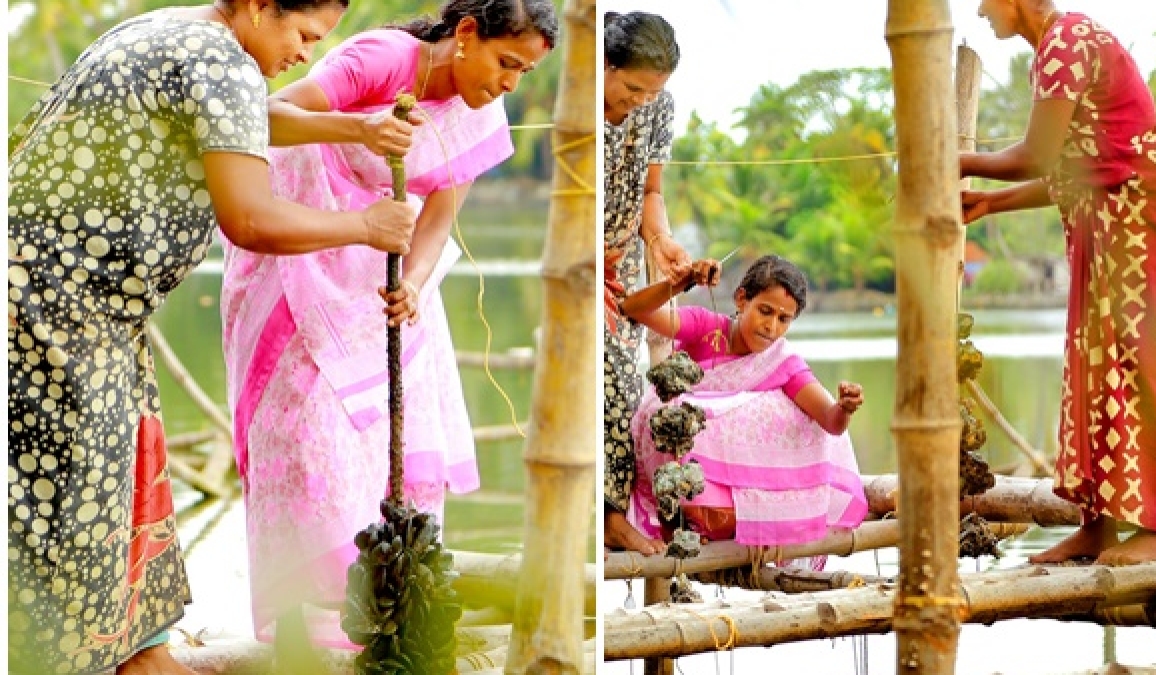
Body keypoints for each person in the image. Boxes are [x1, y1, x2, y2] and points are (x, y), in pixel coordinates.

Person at [7, 1, 419, 673]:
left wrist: (356, 128)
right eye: (303, 34)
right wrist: (367, 227)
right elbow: (251, 218)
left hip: (83, 306)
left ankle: (141, 653)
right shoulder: (219, 59)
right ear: (259, 6)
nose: (305, 55)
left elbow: (250, 115)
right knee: (72, 506)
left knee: (121, 479)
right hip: (54, 306)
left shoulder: (182, 32)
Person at [219, 0, 558, 649]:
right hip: (300, 263)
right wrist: (361, 132)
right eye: (507, 63)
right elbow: (261, 118)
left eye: (525, 72)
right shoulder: (384, 60)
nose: (511, 83)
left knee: (388, 452)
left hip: (377, 279)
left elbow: (437, 213)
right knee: (308, 440)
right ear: (465, 35)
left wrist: (417, 282)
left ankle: (388, 607)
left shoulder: (480, 108)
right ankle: (308, 624)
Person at [962, 0, 1156, 565]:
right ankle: (1098, 526)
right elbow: (1075, 168)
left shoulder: (1067, 41)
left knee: (1139, 364)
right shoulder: (1053, 48)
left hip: (1142, 219)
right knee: (1097, 365)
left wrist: (952, 158)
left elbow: (1038, 156)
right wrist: (990, 203)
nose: (981, 9)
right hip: (1108, 217)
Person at [620, 255, 869, 556]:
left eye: (783, 319)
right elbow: (632, 309)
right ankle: (679, 522)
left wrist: (844, 407)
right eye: (765, 311)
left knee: (776, 409)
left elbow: (830, 422)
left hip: (731, 499)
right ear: (741, 299)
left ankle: (732, 521)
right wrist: (682, 282)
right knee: (674, 414)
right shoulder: (706, 327)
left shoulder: (782, 361)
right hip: (679, 477)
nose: (771, 327)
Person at [602, 10, 693, 557]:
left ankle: (616, 512)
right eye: (632, 87)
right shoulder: (582, 108)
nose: (640, 100)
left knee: (626, 389)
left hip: (625, 265)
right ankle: (607, 518)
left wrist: (659, 242)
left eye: (652, 91)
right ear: (606, 66)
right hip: (583, 265)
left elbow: (650, 193)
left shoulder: (658, 105)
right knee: (603, 381)